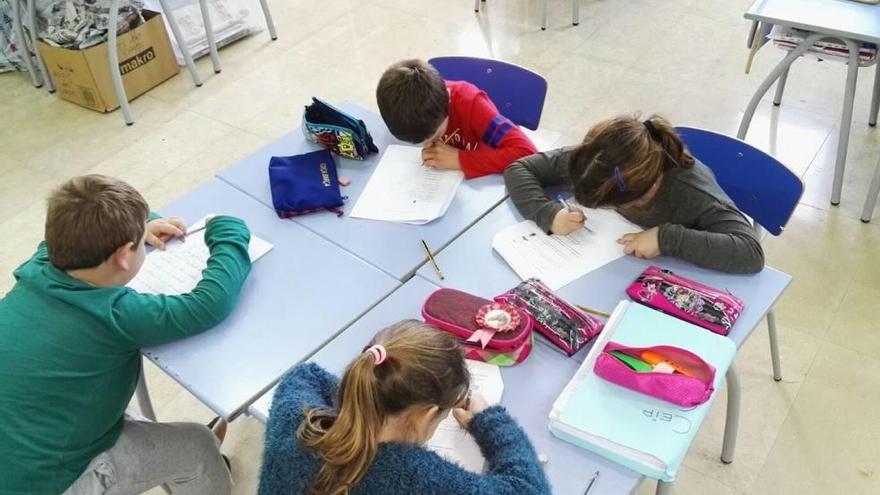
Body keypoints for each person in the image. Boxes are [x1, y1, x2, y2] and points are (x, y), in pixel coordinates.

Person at [0, 174, 253, 495]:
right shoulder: (114, 314)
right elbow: (208, 305)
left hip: (20, 441)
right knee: (198, 448)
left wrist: (139, 230)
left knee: (134, 426)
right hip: (56, 480)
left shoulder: (39, 263)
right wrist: (230, 233)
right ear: (122, 256)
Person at [258, 320, 550, 495]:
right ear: (426, 414)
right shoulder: (415, 478)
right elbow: (528, 490)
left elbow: (304, 375)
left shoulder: (292, 418)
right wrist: (489, 419)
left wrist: (370, 398)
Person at [504, 114, 765, 274]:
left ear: (644, 193)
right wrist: (548, 213)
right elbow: (519, 168)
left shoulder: (691, 192)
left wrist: (666, 238)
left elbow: (751, 252)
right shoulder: (600, 160)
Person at [376, 59, 538, 179]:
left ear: (447, 104)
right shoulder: (405, 108)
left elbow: (529, 154)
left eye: (435, 137)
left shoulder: (472, 105)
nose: (427, 146)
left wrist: (460, 160)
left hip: (486, 187)